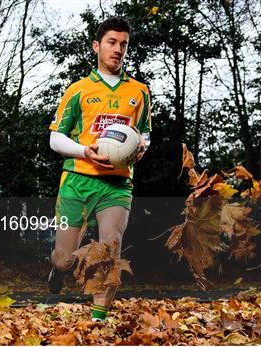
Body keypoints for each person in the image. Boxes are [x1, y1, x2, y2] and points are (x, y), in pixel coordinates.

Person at [47, 17, 152, 323]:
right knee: (67, 259)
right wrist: (85, 151)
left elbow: (145, 132)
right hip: (77, 181)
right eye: (111, 42)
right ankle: (58, 266)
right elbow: (55, 137)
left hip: (117, 185)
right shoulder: (78, 90)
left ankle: (98, 321)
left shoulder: (139, 92)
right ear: (97, 46)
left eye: (123, 44)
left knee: (111, 246)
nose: (118, 49)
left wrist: (142, 146)